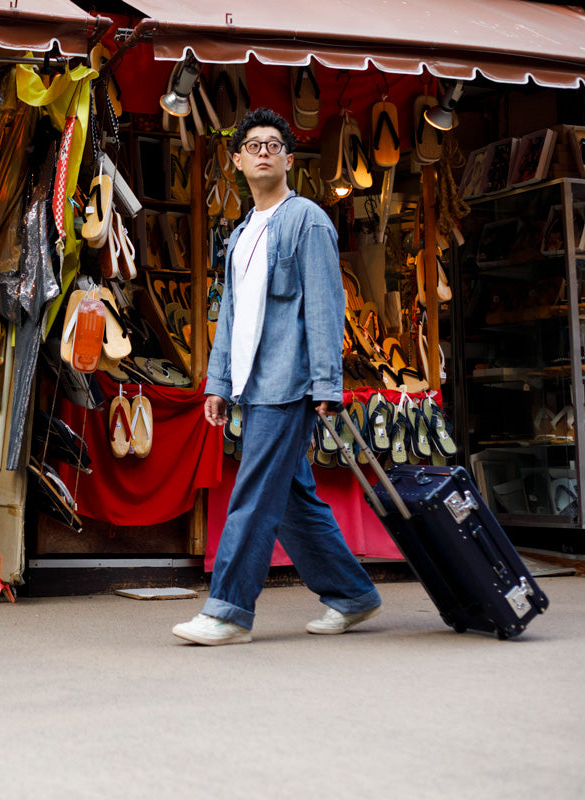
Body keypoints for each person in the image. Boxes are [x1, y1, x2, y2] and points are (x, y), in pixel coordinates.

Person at [172, 108, 382, 646]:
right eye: (253, 145)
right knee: (289, 500)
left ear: (289, 160)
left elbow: (327, 307)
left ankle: (227, 612)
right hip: (251, 385)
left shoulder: (306, 219)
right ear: (238, 161)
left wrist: (327, 386)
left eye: (274, 144)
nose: (263, 150)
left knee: (253, 496)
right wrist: (218, 383)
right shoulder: (242, 233)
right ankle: (352, 594)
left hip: (287, 385)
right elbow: (233, 317)